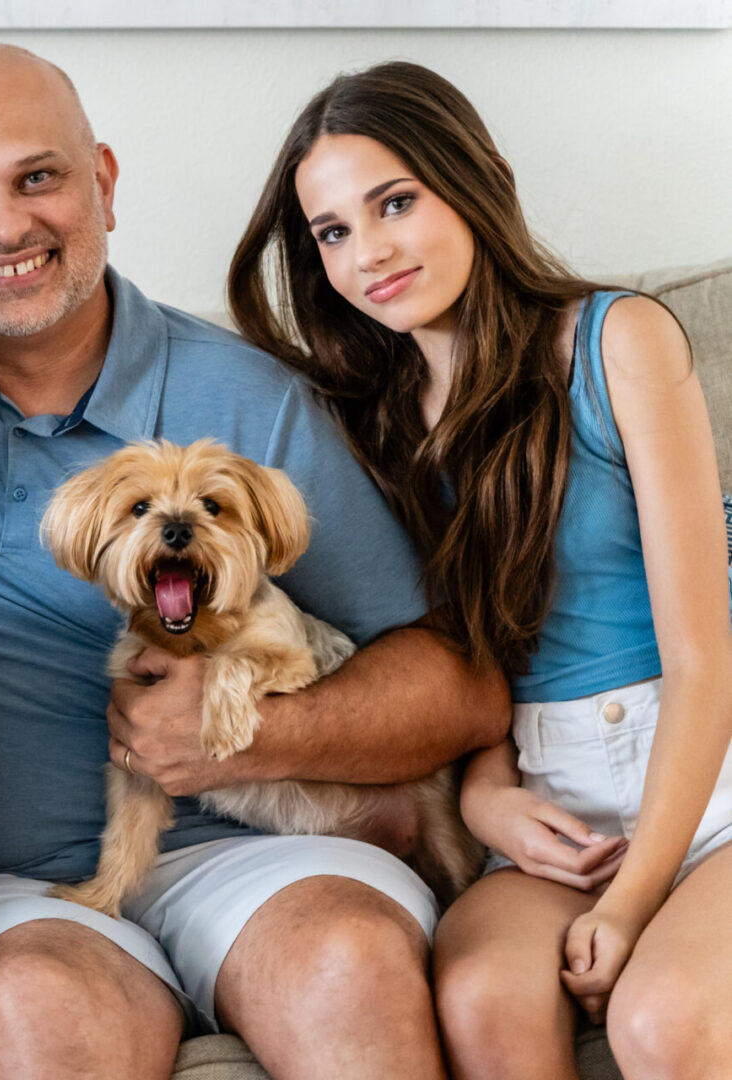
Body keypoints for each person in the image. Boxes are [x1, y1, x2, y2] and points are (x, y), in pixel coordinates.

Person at [0, 44, 507, 1080]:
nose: (6, 227)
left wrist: (254, 734)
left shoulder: (248, 401)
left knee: (347, 961)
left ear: (102, 181)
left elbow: (459, 684)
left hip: (265, 855)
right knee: (42, 1007)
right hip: (15, 885)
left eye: (39, 177)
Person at [228, 61, 732, 1078]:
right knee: (480, 1000)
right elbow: (459, 662)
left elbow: (704, 655)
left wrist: (633, 904)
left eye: (395, 203)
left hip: (709, 779)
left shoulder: (618, 341)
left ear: (478, 177)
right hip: (546, 802)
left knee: (661, 1019)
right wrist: (491, 798)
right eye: (332, 231)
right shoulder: (366, 428)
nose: (368, 252)